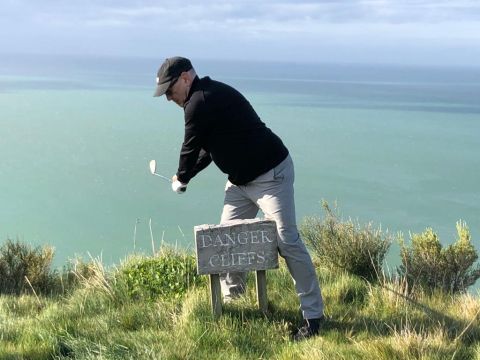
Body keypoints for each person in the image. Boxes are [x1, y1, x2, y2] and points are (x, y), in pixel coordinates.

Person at [153, 56, 324, 340]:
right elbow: (206, 150)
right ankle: (236, 300)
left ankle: (314, 317)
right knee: (227, 239)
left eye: (170, 90)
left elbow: (190, 146)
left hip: (272, 176)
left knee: (287, 241)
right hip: (239, 182)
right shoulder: (205, 99)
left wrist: (181, 178)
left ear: (185, 77)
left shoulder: (199, 101)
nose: (168, 98)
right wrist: (185, 176)